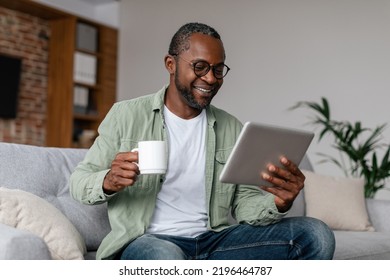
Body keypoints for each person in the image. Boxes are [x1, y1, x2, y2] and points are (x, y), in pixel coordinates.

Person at [70, 22, 335, 260]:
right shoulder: (126, 115)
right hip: (148, 242)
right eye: (200, 67)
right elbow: (79, 183)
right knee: (166, 259)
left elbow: (244, 206)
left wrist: (280, 203)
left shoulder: (230, 127)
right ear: (171, 64)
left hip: (214, 242)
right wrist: (109, 181)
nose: (210, 78)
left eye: (218, 70)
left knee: (316, 234)